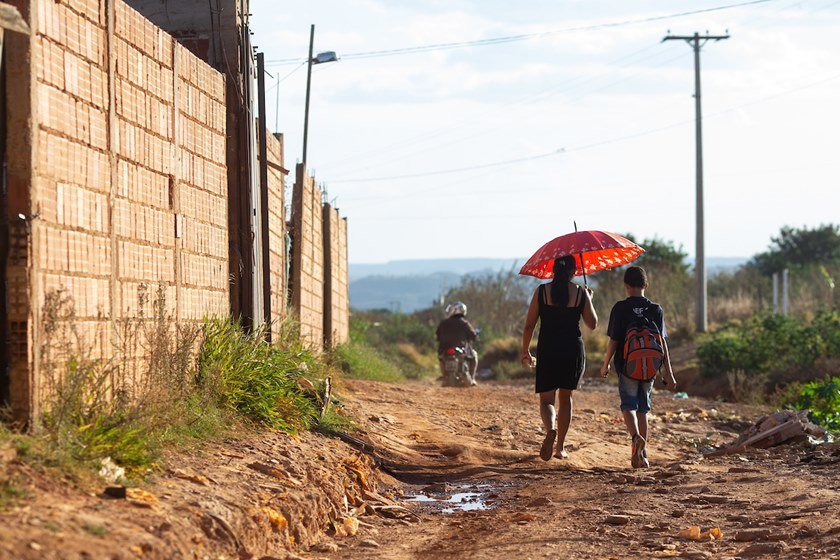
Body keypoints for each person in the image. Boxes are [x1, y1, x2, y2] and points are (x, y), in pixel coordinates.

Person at [520, 256, 598, 461]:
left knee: (546, 400)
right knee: (566, 398)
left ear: (553, 270)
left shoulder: (542, 291)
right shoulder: (580, 292)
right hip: (572, 349)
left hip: (548, 349)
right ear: (573, 272)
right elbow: (593, 324)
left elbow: (529, 325)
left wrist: (525, 350)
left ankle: (550, 429)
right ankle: (560, 447)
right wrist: (588, 299)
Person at [599, 266, 676, 468]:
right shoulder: (656, 309)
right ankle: (643, 454)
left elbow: (614, 341)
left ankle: (635, 438)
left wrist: (605, 364)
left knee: (628, 405)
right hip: (650, 367)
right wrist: (669, 372)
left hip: (627, 367)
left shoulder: (620, 308)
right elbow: (662, 342)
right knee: (643, 409)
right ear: (646, 285)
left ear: (626, 286)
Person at [436, 301, 479, 385]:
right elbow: (473, 336)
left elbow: (437, 336)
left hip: (445, 350)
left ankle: (444, 378)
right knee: (474, 355)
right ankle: (472, 378)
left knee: (441, 359)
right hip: (461, 350)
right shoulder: (464, 323)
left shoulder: (443, 323)